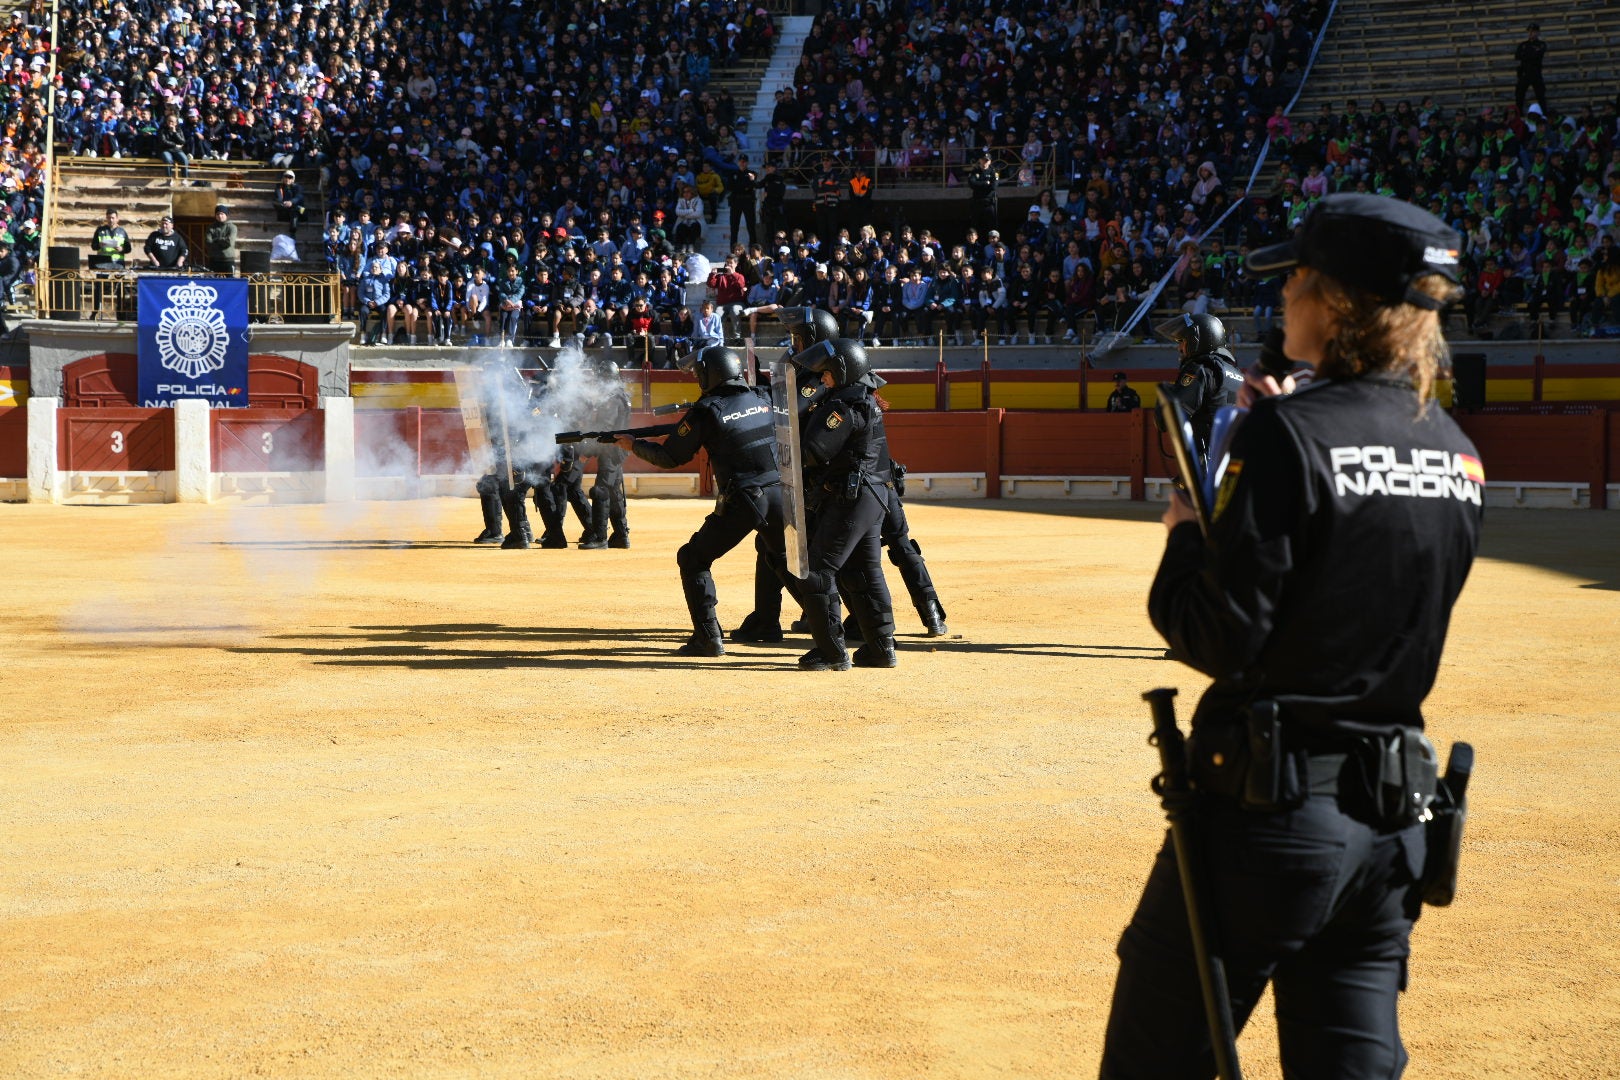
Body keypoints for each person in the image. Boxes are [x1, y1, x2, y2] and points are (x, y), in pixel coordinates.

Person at [1100, 193, 1485, 1079]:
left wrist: (1188, 532)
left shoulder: (1290, 435)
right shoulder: (1454, 447)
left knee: (1155, 1063)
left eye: (1296, 282)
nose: (1281, 302)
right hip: (1393, 818)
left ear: (1337, 302)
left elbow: (1216, 634)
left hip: (1267, 817)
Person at [615, 345, 794, 657]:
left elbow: (670, 456)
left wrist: (633, 445)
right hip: (781, 493)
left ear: (711, 374)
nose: (697, 379)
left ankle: (708, 637)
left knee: (693, 559)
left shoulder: (707, 410)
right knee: (788, 561)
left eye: (699, 373)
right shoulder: (762, 398)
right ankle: (830, 635)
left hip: (745, 499)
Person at [793, 338, 898, 671]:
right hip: (874, 497)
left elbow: (813, 451)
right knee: (864, 572)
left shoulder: (844, 406)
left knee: (816, 572)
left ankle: (831, 651)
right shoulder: (861, 399)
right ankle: (882, 649)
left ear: (841, 371)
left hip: (851, 498)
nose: (821, 379)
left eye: (825, 373)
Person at [1155, 312, 1244, 462]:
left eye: (1182, 341)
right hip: (1235, 463)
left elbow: (1168, 418)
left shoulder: (1199, 370)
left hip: (1208, 464)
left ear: (1196, 339)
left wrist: (1166, 396)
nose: (1179, 347)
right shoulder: (1237, 374)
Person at [579, 359, 633, 549]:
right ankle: (620, 535)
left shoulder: (611, 398)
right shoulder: (620, 395)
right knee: (613, 492)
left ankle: (600, 536)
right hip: (617, 450)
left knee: (601, 490)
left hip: (610, 450)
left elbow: (605, 428)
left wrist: (588, 451)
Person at [966, 151, 1003, 239]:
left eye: (986, 161)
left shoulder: (993, 172)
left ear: (990, 161)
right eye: (983, 160)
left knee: (992, 226)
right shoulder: (975, 171)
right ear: (980, 160)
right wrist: (985, 183)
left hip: (989, 203)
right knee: (974, 225)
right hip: (977, 202)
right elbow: (972, 184)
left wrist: (979, 184)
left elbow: (993, 186)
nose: (984, 162)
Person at [1514, 22, 1548, 116]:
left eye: (1533, 31)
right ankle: (1519, 114)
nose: (1531, 33)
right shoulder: (1523, 44)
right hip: (1525, 73)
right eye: (1530, 31)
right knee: (1519, 95)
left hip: (1536, 73)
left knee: (1540, 96)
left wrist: (1527, 55)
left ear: (1537, 32)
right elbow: (1517, 56)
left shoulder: (1541, 44)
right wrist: (1531, 54)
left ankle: (1544, 115)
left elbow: (1536, 55)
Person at [205, 206, 239, 275]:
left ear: (226, 215)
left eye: (222, 214)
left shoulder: (232, 227)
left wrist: (216, 240)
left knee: (229, 282)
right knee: (214, 283)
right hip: (214, 260)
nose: (220, 216)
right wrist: (222, 240)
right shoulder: (211, 227)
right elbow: (208, 242)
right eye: (217, 214)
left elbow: (229, 242)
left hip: (228, 260)